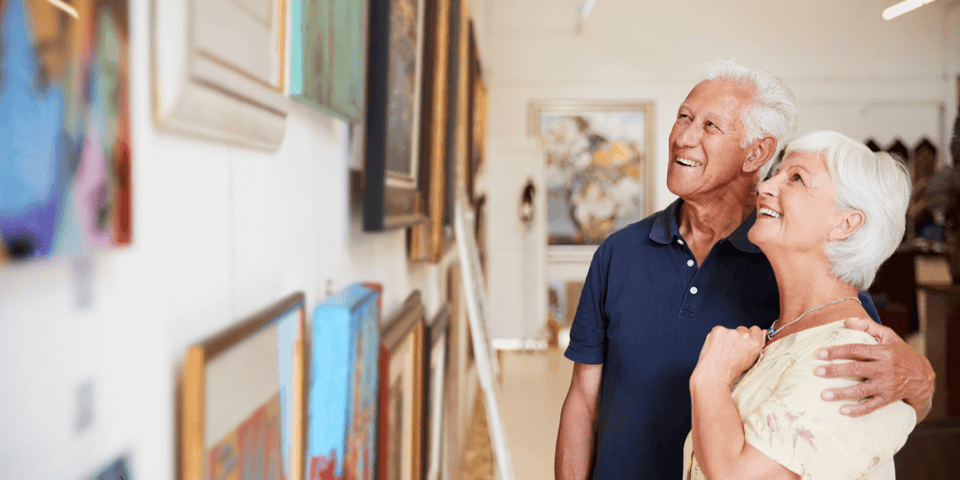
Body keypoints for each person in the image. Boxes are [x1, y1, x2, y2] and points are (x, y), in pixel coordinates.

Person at [554, 59, 935, 480]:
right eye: (684, 117)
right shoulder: (618, 252)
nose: (683, 137)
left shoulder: (797, 266)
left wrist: (921, 380)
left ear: (756, 152)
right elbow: (582, 401)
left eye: (710, 126)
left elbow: (867, 382)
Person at [684, 131, 916, 479]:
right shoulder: (781, 336)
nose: (764, 187)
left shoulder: (846, 356)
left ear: (845, 223)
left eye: (796, 178)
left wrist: (710, 378)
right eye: (777, 172)